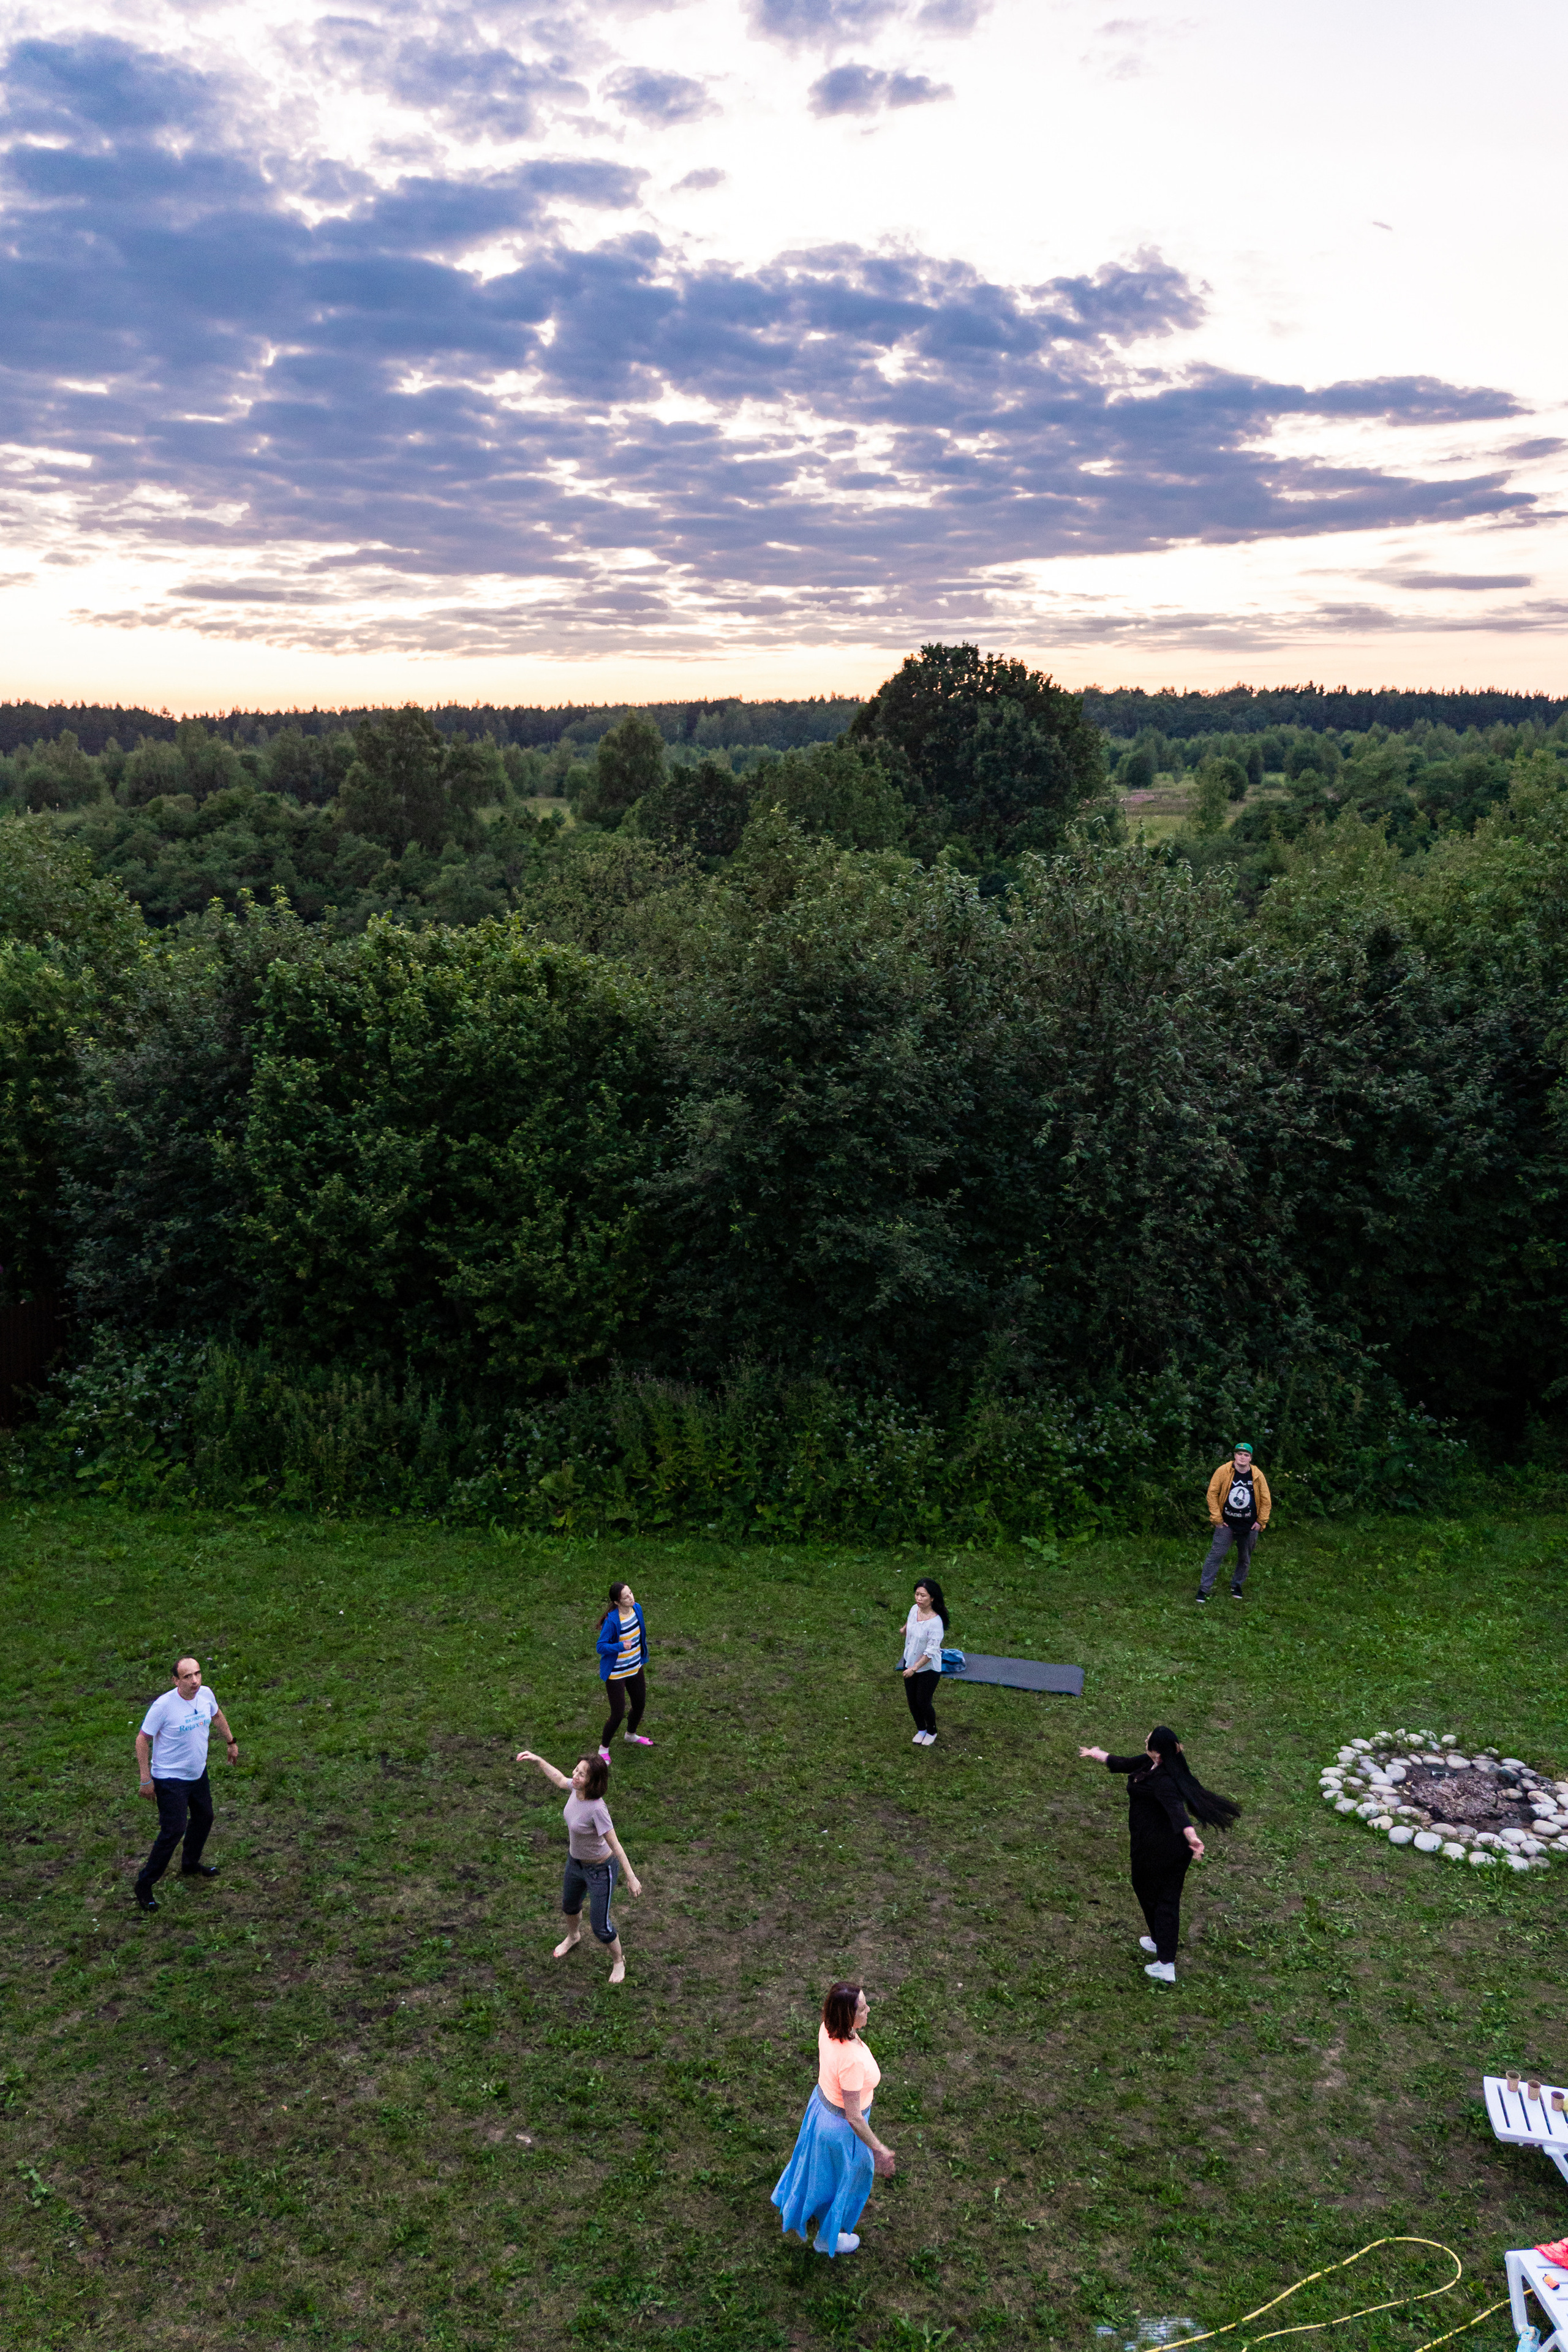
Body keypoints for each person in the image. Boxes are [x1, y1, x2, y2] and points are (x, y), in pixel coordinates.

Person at [1077, 1725, 1240, 1983]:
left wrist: (1193, 1839)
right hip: (1151, 1844)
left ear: (1157, 1751)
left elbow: (1178, 1812)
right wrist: (1097, 1754)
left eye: (1148, 1739)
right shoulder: (1150, 1763)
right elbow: (1124, 1763)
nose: (1144, 1739)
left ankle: (1166, 1964)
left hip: (1165, 1851)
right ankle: (1158, 1940)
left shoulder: (1164, 1780)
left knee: (1163, 1900)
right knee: (1144, 1888)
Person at [772, 1981, 896, 2257]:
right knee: (850, 2181)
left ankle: (805, 2205)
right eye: (863, 2008)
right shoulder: (852, 2060)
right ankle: (828, 2240)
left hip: (821, 2111)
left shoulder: (828, 2027)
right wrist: (879, 2149)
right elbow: (853, 2116)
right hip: (843, 2130)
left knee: (820, 2171)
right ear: (848, 2016)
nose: (869, 2010)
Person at [514, 1747, 643, 1985]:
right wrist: (539, 1759)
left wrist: (631, 1877)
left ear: (593, 1782)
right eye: (576, 1770)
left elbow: (615, 1845)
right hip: (575, 1863)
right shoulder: (576, 1790)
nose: (575, 1775)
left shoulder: (597, 1809)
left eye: (582, 1774)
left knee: (600, 1926)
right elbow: (559, 1778)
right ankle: (573, 1936)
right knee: (570, 1906)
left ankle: (618, 1961)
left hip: (600, 1870)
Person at [132, 1656, 239, 1913]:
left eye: (198, 1674)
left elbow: (217, 1714)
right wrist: (146, 1779)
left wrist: (231, 1741)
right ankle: (144, 1884)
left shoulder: (205, 1695)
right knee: (174, 1830)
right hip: (170, 1779)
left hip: (197, 1774)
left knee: (205, 1817)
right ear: (176, 1680)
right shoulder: (164, 1706)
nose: (195, 1681)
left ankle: (190, 1864)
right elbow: (142, 1740)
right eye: (188, 1677)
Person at [1197, 1441, 1271, 1602]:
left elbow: (1266, 1500)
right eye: (1240, 1454)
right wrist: (1216, 1518)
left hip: (1250, 1525)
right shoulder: (1223, 1471)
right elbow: (1212, 1493)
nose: (1242, 1457)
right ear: (1235, 1456)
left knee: (1245, 1557)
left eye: (1246, 1455)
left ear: (1250, 1458)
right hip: (1226, 1523)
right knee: (1216, 1555)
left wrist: (1261, 1522)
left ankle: (1237, 1585)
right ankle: (1204, 1589)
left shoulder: (1257, 1475)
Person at [596, 1580, 650, 1762]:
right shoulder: (612, 1621)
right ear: (617, 1602)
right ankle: (603, 1748)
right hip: (617, 1674)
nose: (631, 1597)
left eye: (631, 1593)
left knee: (640, 1704)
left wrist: (641, 1655)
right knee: (618, 1714)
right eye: (625, 1597)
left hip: (635, 1668)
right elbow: (601, 1647)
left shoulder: (638, 1609)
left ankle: (630, 1735)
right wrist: (620, 1646)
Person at [900, 1577, 948, 1746]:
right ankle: (921, 1729)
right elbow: (911, 1621)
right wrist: (905, 1629)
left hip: (927, 1669)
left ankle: (932, 1731)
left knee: (923, 1701)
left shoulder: (935, 1623)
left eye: (923, 1596)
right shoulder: (914, 1609)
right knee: (912, 1700)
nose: (918, 1599)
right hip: (910, 1661)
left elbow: (931, 1652)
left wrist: (914, 1668)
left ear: (932, 1598)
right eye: (917, 1594)